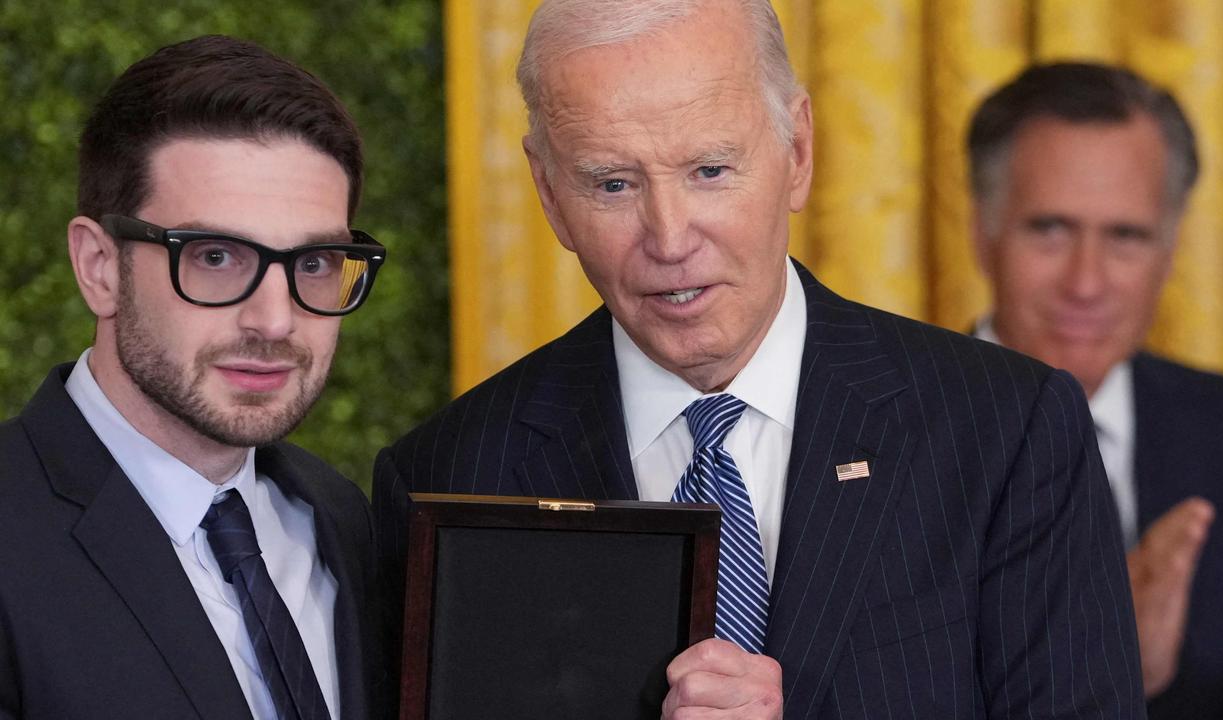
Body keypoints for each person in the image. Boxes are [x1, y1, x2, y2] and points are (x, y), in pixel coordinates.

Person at [375, 2, 1143, 717]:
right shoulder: (447, 474)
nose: (670, 238)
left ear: (798, 152)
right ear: (548, 193)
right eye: (613, 184)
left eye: (709, 171)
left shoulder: (1006, 429)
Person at [0, 36, 388, 720]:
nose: (275, 320)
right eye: (215, 256)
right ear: (97, 267)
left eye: (316, 263)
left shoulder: (341, 517)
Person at [967, 61, 1223, 719]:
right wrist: (1096, 667)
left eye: (1126, 237)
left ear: (1170, 252)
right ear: (982, 232)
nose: (1086, 283)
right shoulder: (879, 430)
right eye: (1050, 229)